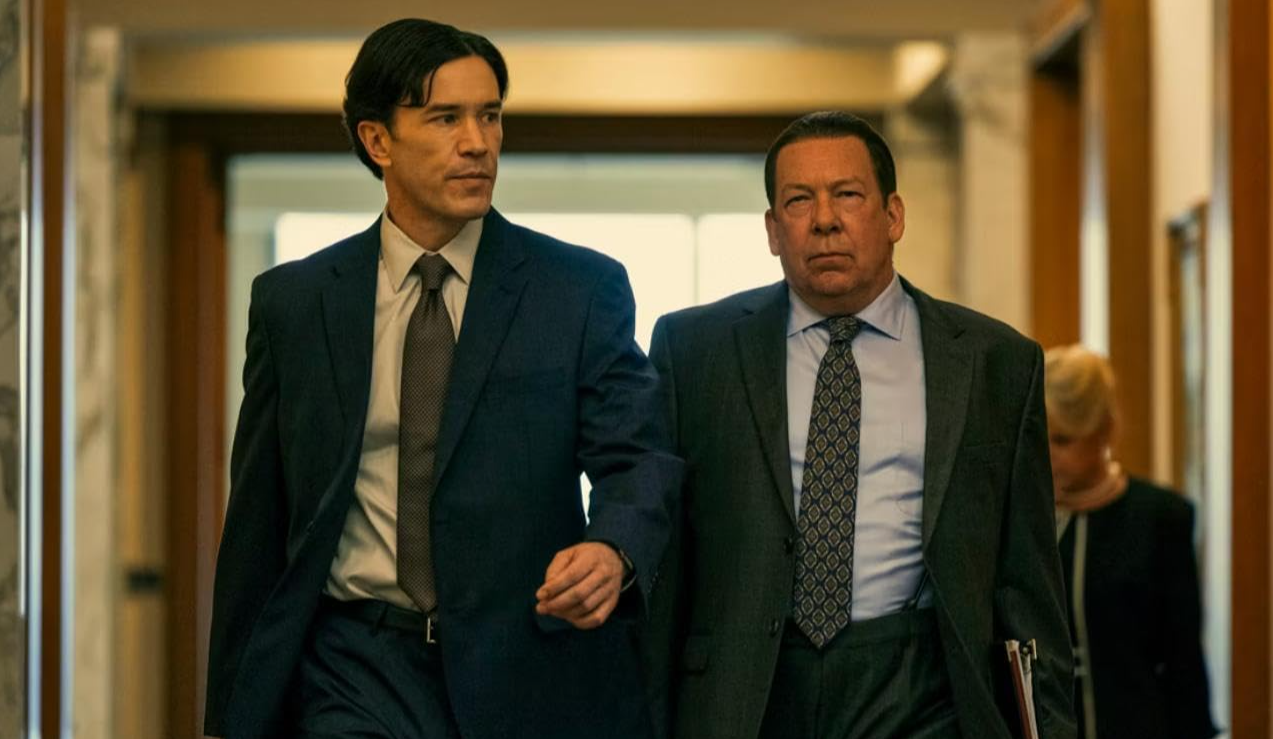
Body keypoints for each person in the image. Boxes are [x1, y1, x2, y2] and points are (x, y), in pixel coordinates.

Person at [204, 18, 681, 739]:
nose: (478, 143)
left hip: (524, 662)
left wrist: (612, 547)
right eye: (445, 117)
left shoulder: (576, 289)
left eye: (490, 116)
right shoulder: (295, 304)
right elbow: (258, 518)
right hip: (352, 661)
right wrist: (227, 714)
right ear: (378, 140)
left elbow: (638, 455)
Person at [643, 111, 1076, 739]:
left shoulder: (994, 363)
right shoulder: (694, 351)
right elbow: (664, 562)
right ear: (773, 230)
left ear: (893, 215)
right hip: (748, 690)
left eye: (847, 194)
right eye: (798, 201)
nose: (824, 220)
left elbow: (1029, 584)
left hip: (923, 685)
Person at [1044, 344, 1218, 739]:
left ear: (1104, 431)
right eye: (1040, 437)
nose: (1047, 454)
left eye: (1063, 440)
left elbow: (1183, 659)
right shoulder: (1024, 519)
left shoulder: (1160, 518)